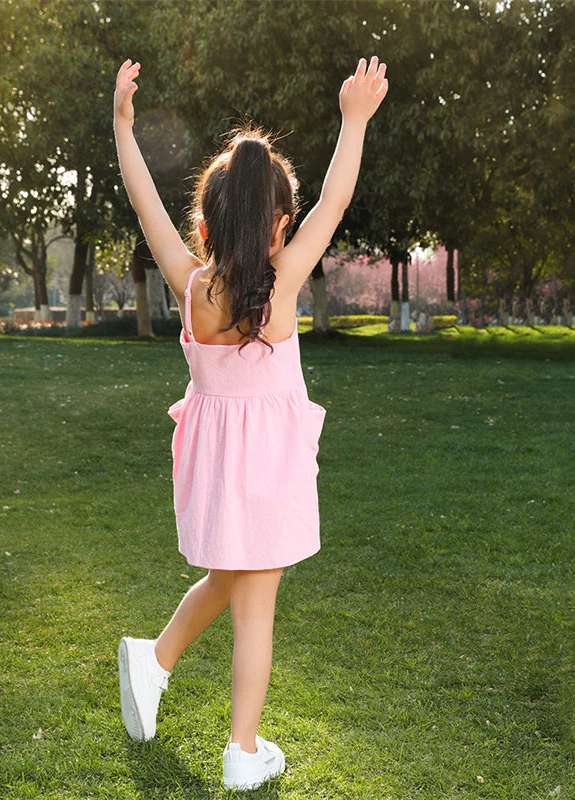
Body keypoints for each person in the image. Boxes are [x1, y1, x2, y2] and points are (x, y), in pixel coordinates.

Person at [113, 55, 388, 791]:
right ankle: (242, 750)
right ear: (277, 225)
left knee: (231, 577)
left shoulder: (191, 283)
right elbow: (335, 199)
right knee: (253, 601)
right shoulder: (284, 282)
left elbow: (144, 206)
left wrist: (123, 130)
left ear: (206, 222)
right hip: (268, 466)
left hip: (215, 460)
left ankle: (156, 657)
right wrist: (353, 120)